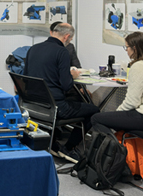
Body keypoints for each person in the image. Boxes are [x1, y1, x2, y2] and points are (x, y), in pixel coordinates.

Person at [24, 23, 100, 158]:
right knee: (94, 110)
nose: (69, 42)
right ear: (66, 37)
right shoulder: (62, 52)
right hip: (56, 108)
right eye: (70, 39)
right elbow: (66, 86)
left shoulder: (33, 49)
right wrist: (72, 76)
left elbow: (26, 78)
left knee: (73, 102)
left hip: (34, 106)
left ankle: (53, 144)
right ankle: (68, 148)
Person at [91, 32, 143, 133]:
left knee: (96, 118)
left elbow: (132, 102)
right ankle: (122, 142)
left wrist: (117, 113)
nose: (126, 50)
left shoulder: (139, 66)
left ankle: (115, 143)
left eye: (127, 47)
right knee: (114, 120)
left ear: (134, 48)